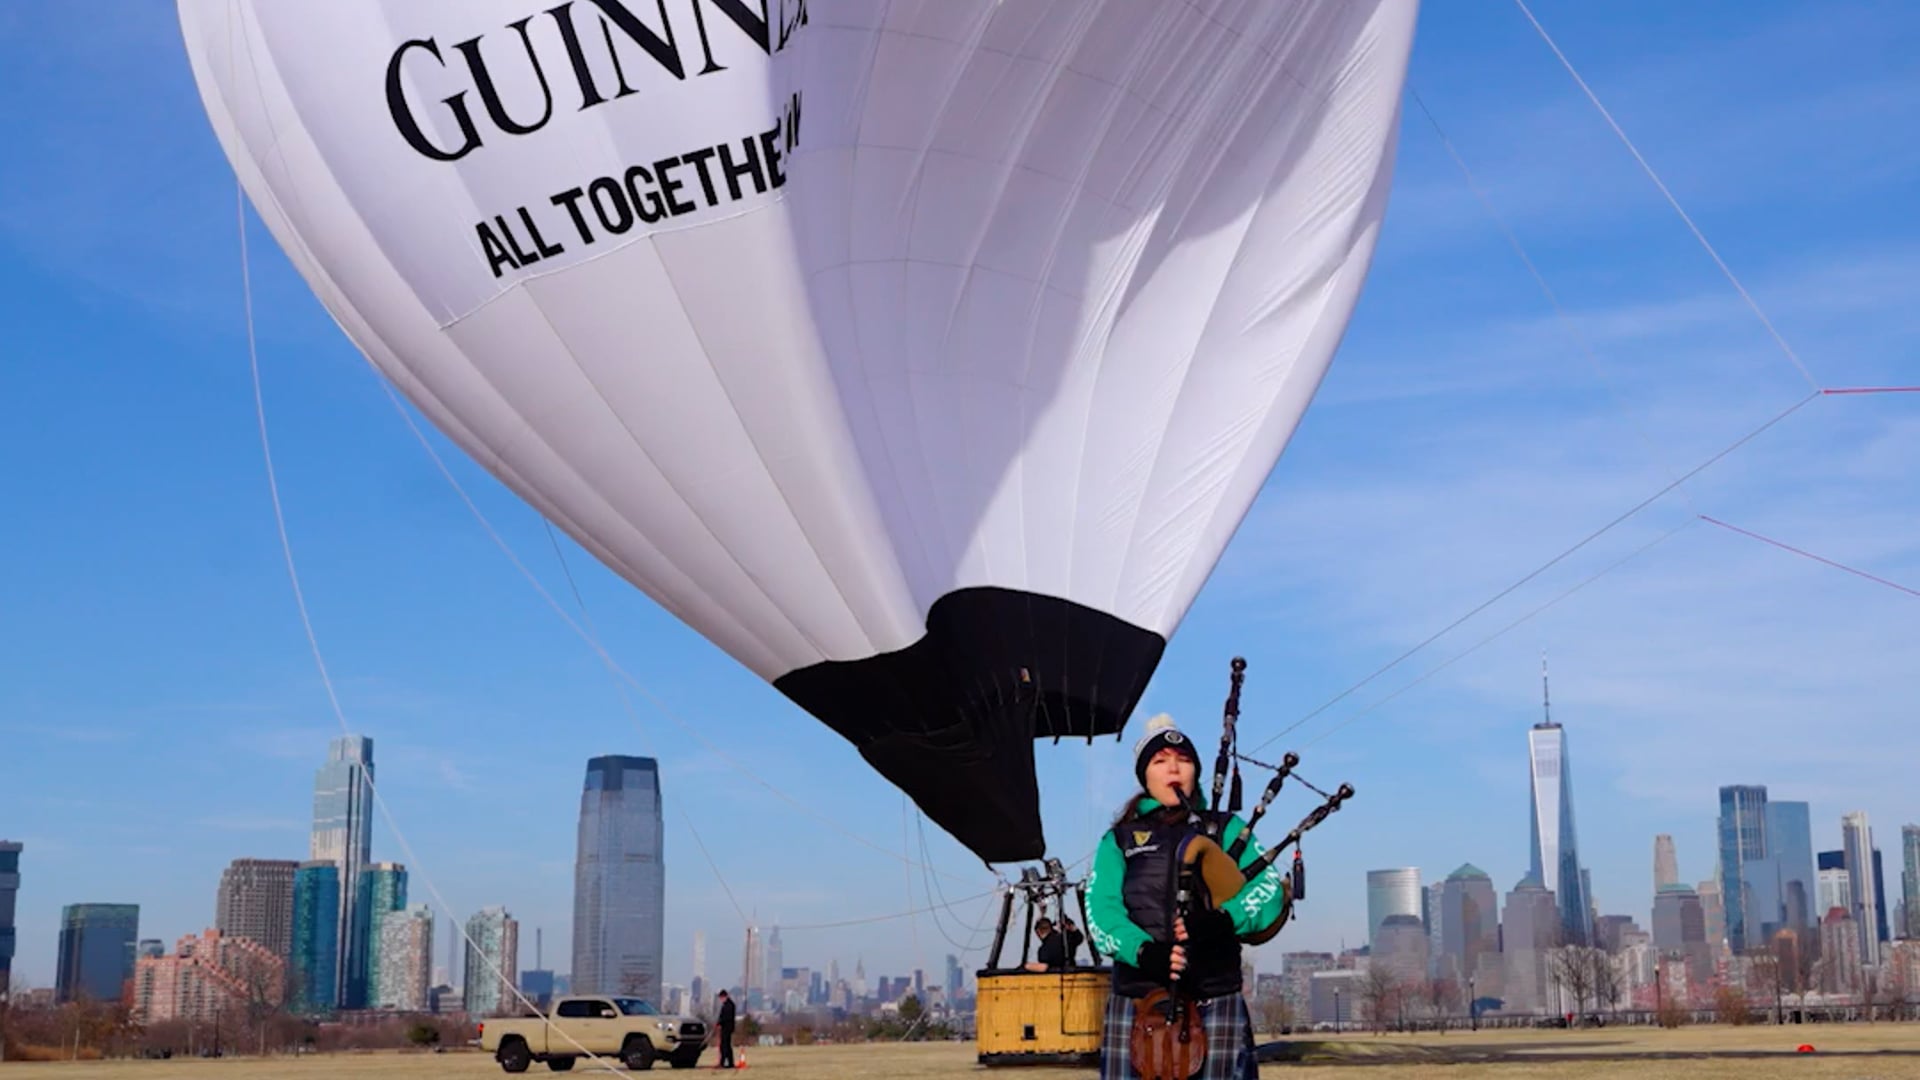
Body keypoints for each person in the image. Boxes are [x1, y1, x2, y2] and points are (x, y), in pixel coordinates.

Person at [1085, 713, 1291, 1080]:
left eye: (1183, 760)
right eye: (1160, 761)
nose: (1173, 769)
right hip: (1137, 998)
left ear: (1195, 771)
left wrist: (1224, 920)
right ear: (1144, 776)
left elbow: (1269, 889)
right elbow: (1101, 913)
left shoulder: (1227, 829)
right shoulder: (1117, 840)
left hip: (1215, 993)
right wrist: (1145, 952)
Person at [715, 988, 736, 1068]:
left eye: (721, 998)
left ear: (725, 996)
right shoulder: (728, 1004)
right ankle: (729, 1063)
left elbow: (726, 1017)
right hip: (726, 1028)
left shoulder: (729, 1005)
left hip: (727, 1028)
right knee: (727, 1046)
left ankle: (723, 1062)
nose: (721, 999)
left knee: (724, 1046)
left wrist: (720, 1022)